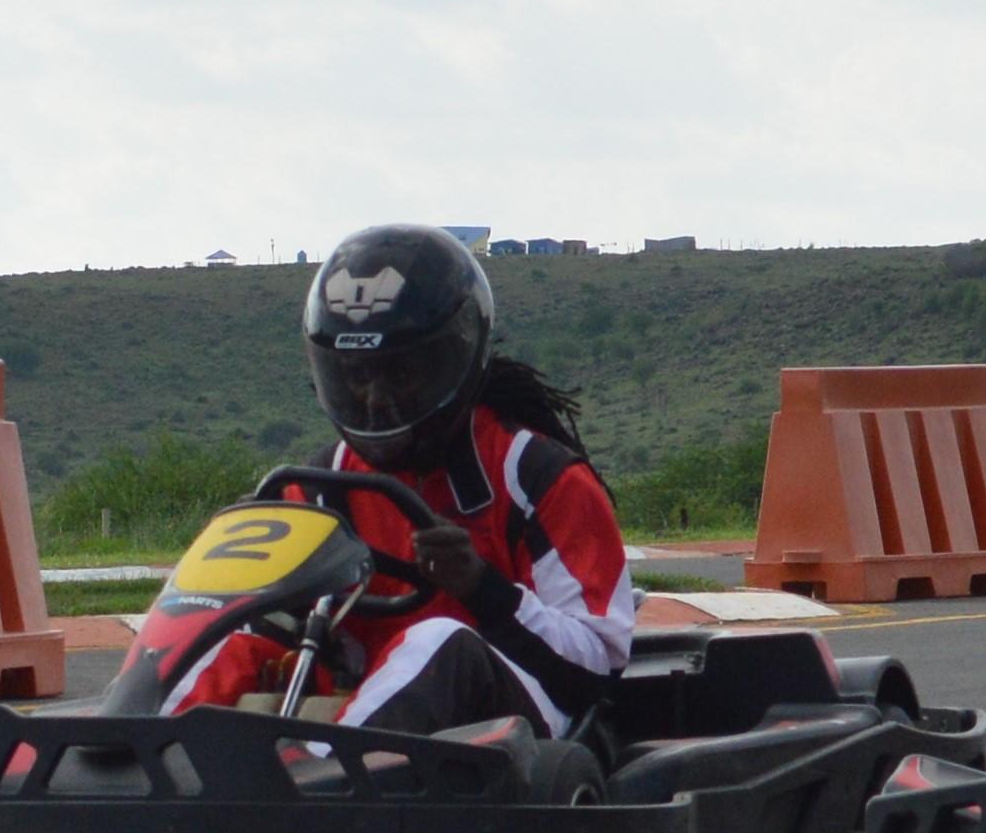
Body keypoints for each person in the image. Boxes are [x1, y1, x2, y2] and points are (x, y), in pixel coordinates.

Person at [169, 226, 636, 728]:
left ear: (453, 360)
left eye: (399, 374)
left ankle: (325, 784)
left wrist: (482, 588)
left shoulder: (538, 475)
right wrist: (234, 576)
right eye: (357, 375)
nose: (374, 398)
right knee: (229, 641)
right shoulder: (320, 484)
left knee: (440, 639)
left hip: (510, 726)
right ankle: (127, 756)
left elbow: (599, 659)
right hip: (365, 704)